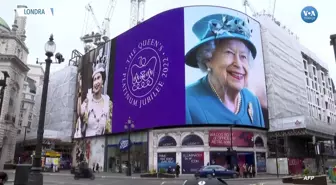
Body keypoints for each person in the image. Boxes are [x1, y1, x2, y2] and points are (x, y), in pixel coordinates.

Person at [185, 13, 265, 127]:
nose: (238, 64)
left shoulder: (253, 101)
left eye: (243, 56)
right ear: (208, 59)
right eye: (229, 53)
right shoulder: (186, 102)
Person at [80, 47, 113, 137]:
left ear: (103, 81)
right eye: (94, 79)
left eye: (98, 78)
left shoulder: (108, 104)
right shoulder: (87, 102)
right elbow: (80, 114)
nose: (96, 82)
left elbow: (109, 130)